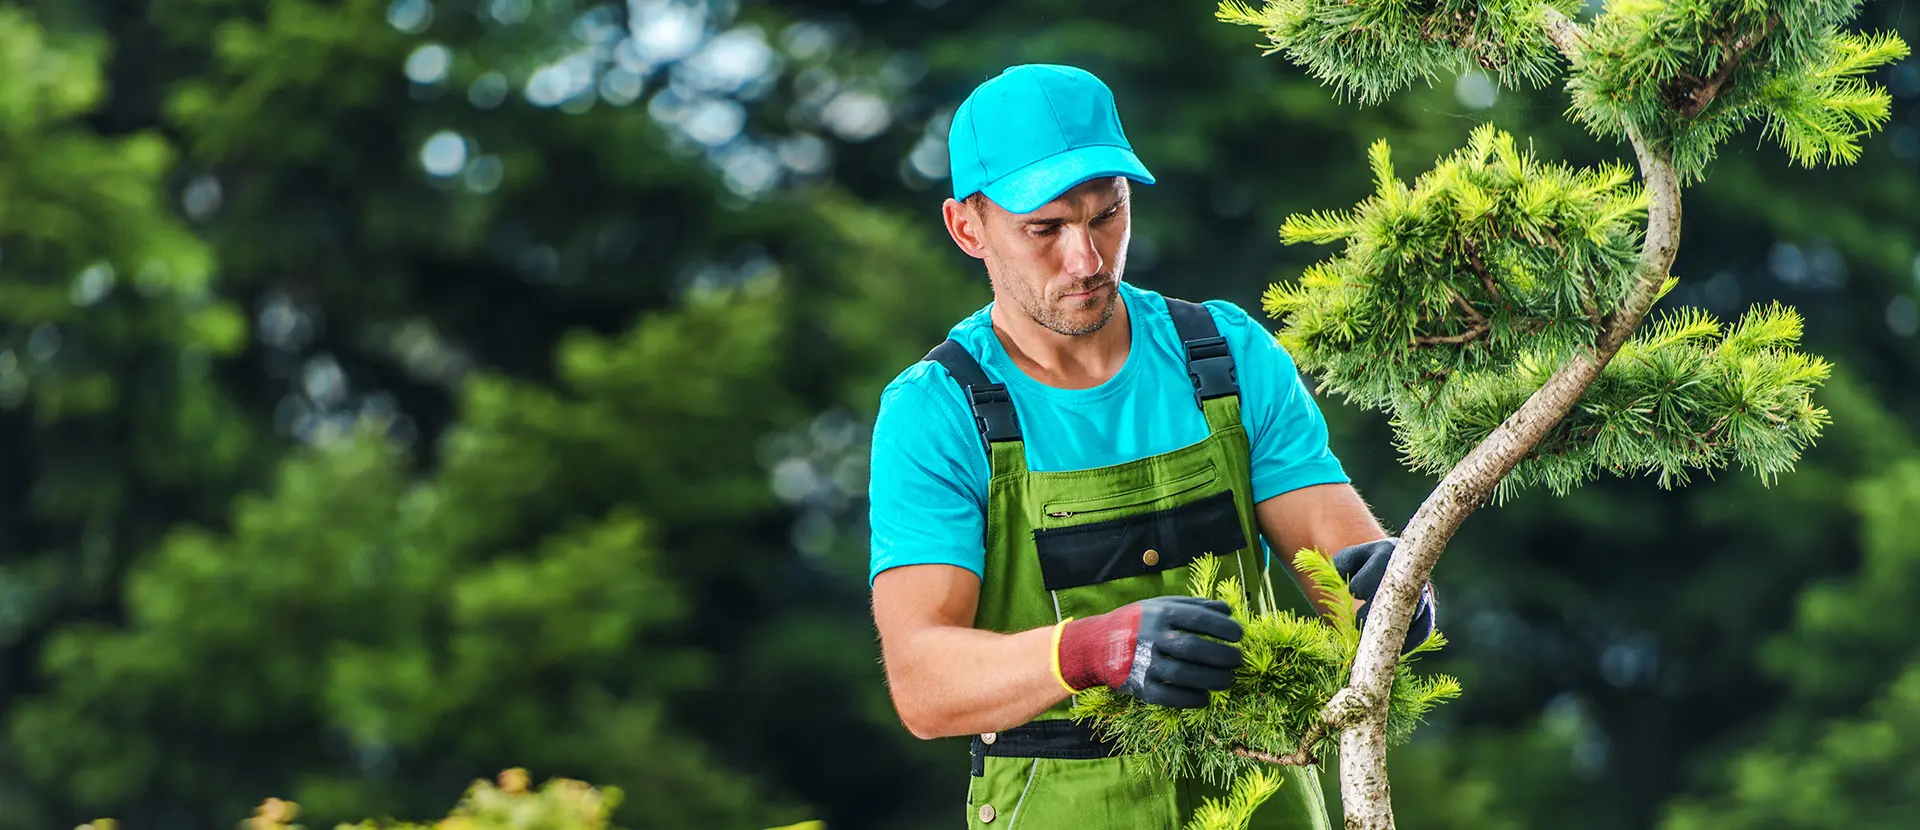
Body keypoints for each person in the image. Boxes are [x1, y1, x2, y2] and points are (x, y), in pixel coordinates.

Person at [866, 64, 1437, 830]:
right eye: (1046, 229)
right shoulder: (937, 413)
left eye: (1108, 215)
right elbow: (923, 686)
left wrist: (1396, 598)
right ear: (967, 227)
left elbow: (1346, 575)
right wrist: (1092, 650)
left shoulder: (1226, 359)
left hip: (1261, 799)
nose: (1088, 260)